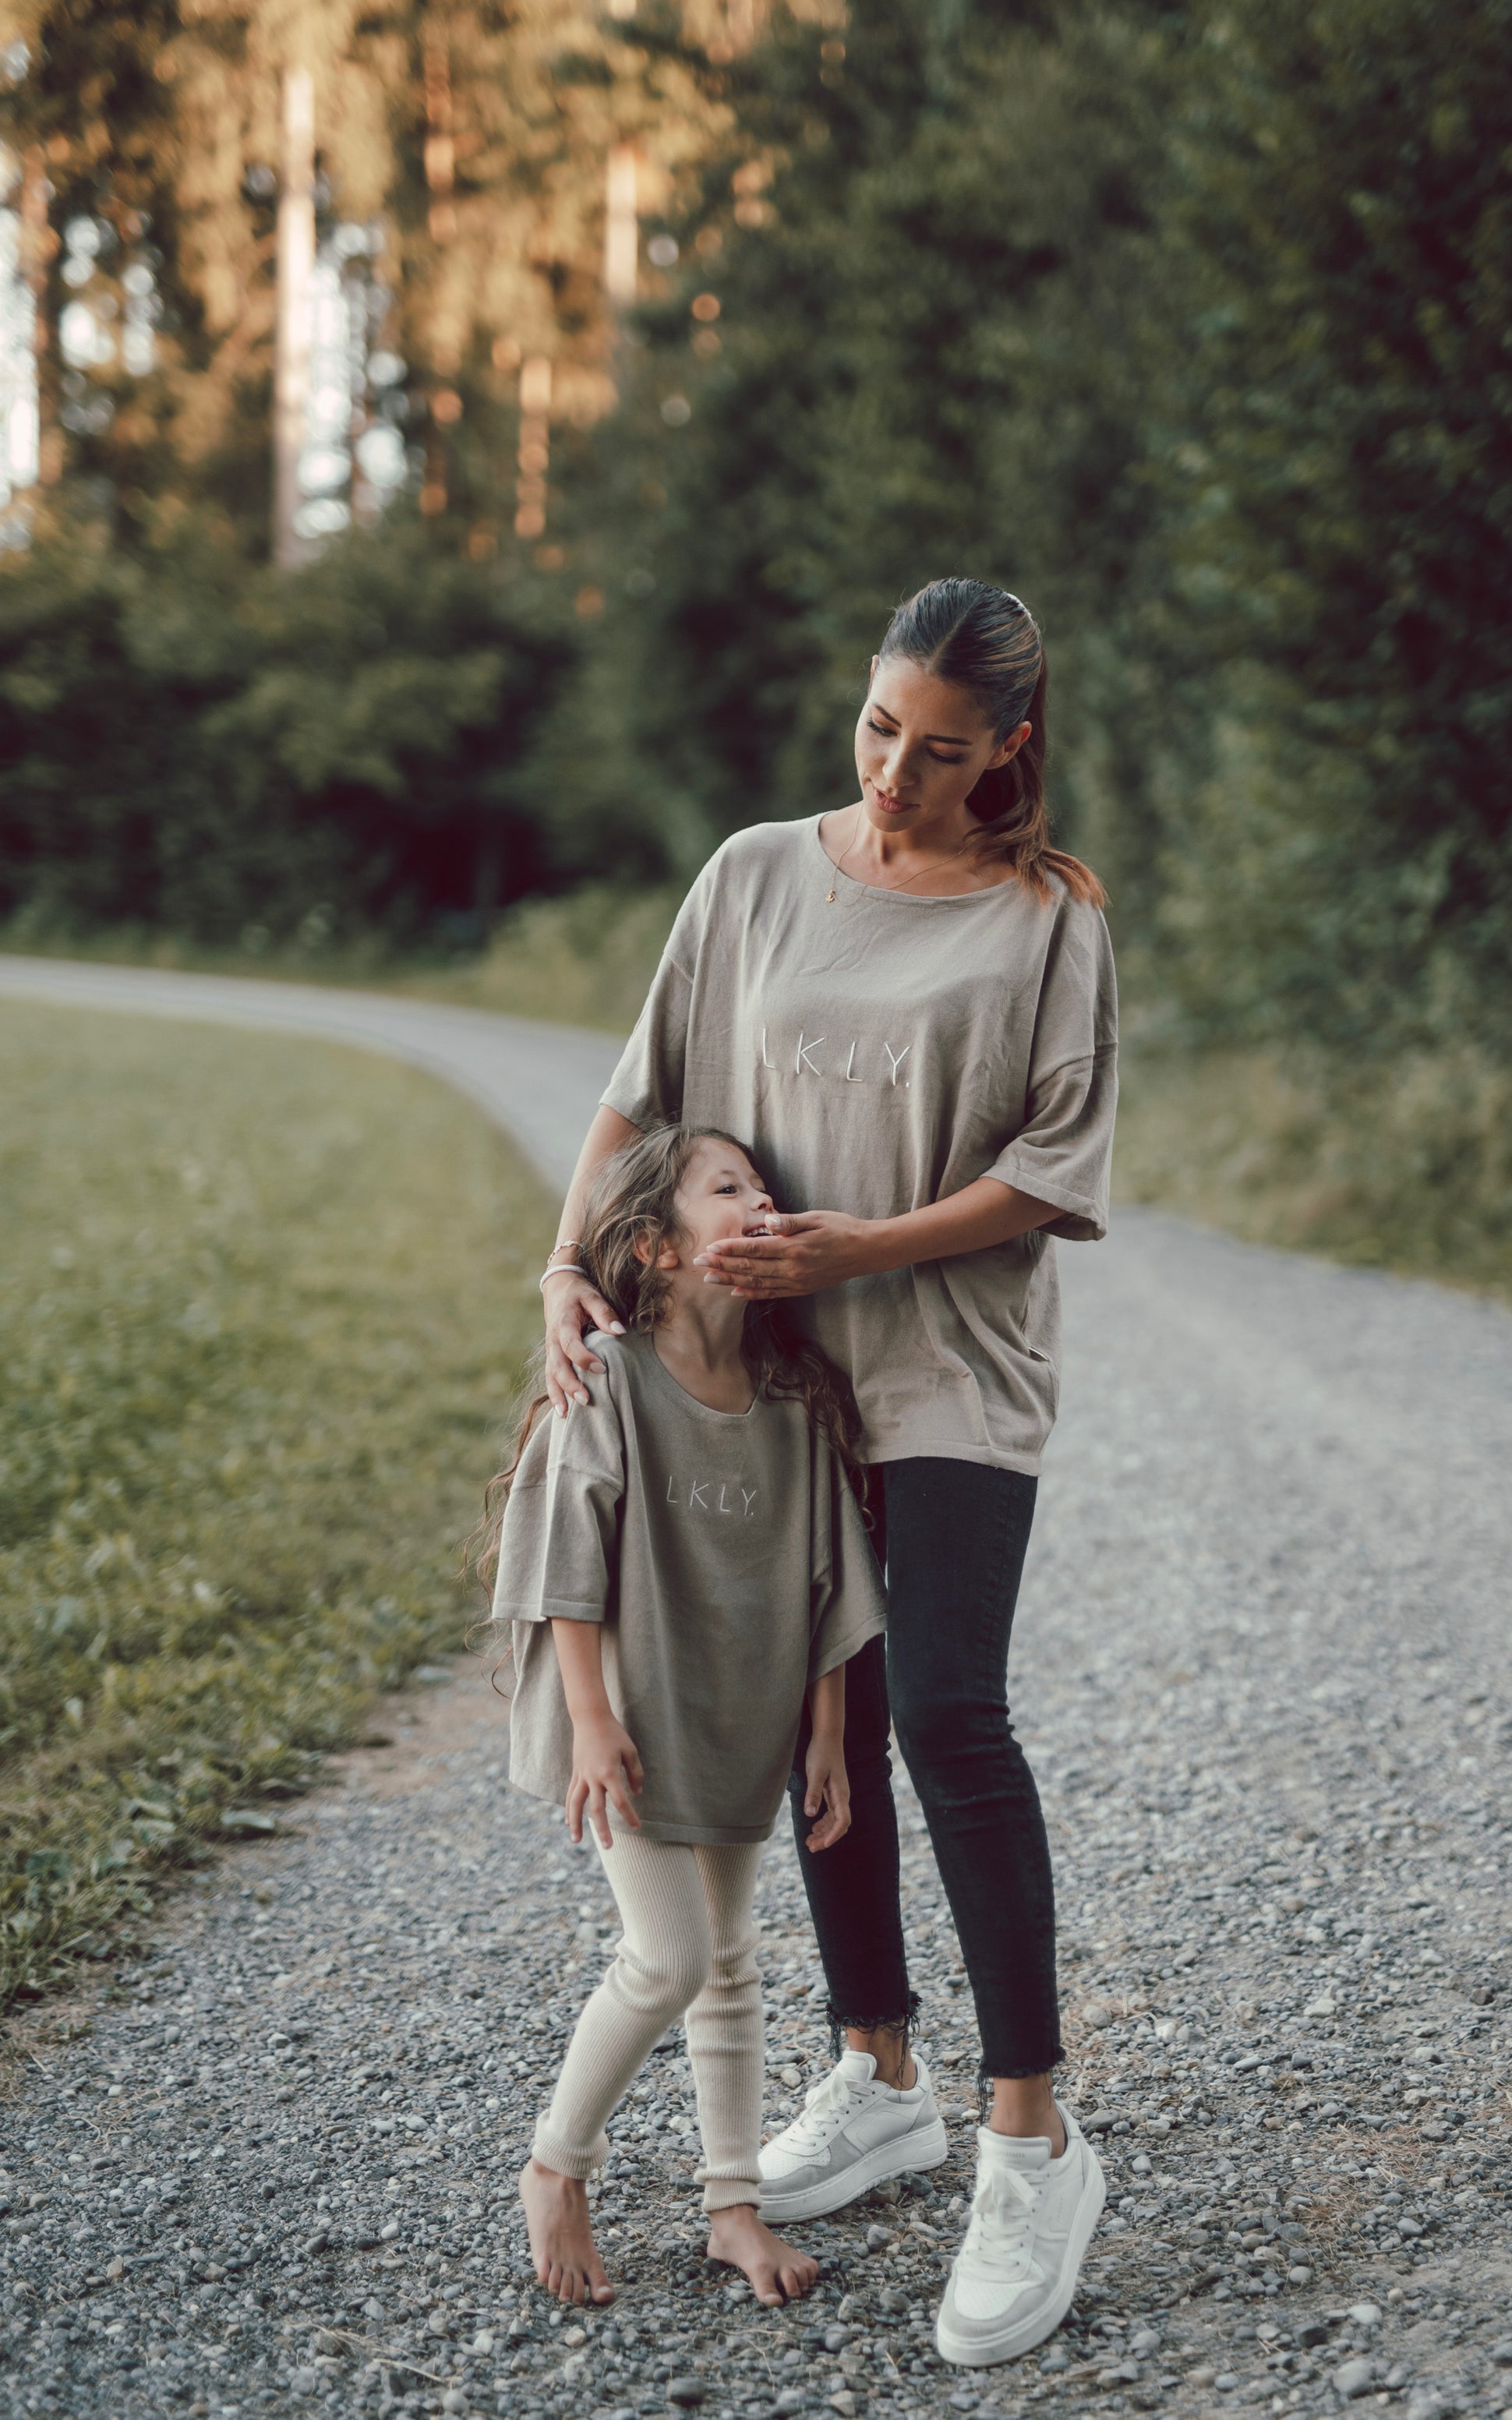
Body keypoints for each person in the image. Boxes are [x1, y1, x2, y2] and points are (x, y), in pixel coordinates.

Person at [540, 578, 1119, 2368]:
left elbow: (1047, 1171)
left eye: (939, 751)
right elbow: (638, 1105)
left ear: (1007, 747)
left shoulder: (1044, 921)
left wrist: (854, 1251)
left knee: (945, 1713)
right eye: (877, 729)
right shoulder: (752, 877)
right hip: (770, 1384)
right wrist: (566, 1262)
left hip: (947, 1366)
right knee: (821, 1732)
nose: (892, 774)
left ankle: (1032, 2137)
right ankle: (878, 2067)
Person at [479, 1125, 886, 2309]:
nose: (760, 1200)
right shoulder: (605, 1379)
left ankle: (732, 2207)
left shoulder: (797, 1403)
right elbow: (565, 1562)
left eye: (766, 1188)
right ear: (655, 1245)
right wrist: (593, 1723)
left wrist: (824, 1735)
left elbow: (827, 1581)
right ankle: (557, 2166)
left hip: (735, 1720)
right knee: (669, 1957)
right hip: (624, 1722)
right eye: (729, 1189)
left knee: (732, 1965)